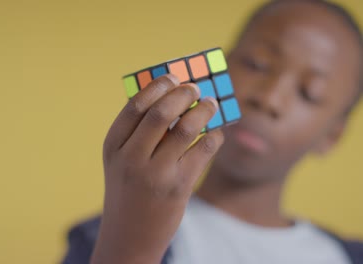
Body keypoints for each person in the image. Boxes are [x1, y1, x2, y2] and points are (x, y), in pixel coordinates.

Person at [62, 0, 363, 263]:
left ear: (332, 136)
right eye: (256, 64)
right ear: (223, 65)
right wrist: (129, 247)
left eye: (309, 94)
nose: (268, 99)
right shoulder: (104, 239)